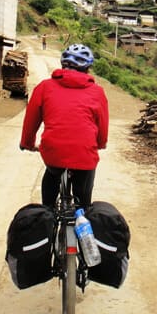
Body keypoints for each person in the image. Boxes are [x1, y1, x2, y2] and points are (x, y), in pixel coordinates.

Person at [20, 43, 109, 209]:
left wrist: (27, 143)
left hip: (53, 152)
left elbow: (31, 120)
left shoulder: (44, 87)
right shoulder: (97, 92)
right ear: (87, 69)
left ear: (62, 65)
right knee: (83, 200)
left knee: (52, 174)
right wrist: (100, 143)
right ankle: (83, 212)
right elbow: (102, 126)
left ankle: (48, 211)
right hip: (84, 154)